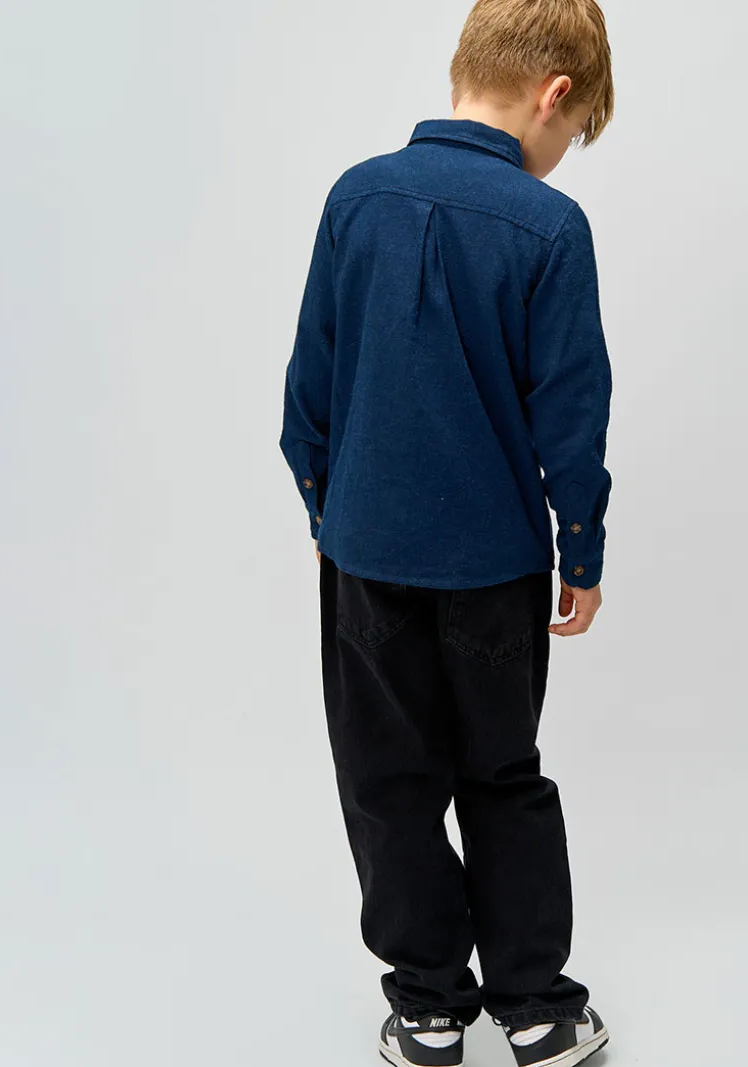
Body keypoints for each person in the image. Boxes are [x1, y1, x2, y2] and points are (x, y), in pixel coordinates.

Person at [279, 2, 615, 1064]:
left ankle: (425, 1004)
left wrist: (328, 510)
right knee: (503, 774)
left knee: (386, 780)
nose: (563, 156)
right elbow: (571, 414)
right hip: (494, 567)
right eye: (575, 132)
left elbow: (307, 390)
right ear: (554, 95)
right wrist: (582, 547)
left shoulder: (356, 196)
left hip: (364, 555)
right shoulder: (549, 226)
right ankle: (537, 1006)